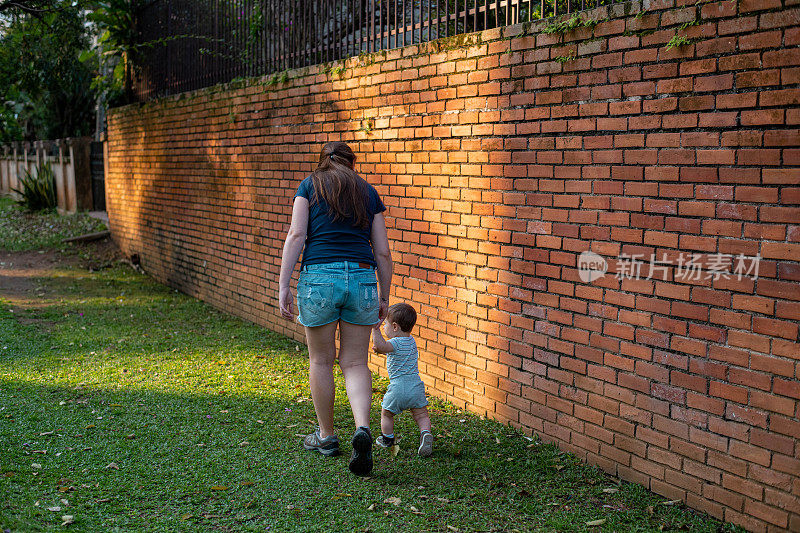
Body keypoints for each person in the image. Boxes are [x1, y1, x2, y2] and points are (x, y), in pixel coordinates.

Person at [278, 141, 392, 476]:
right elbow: (382, 252)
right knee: (356, 362)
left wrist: (284, 284)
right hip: (361, 278)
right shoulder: (367, 192)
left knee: (321, 360)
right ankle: (362, 429)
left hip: (319, 278)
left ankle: (327, 437)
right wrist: (384, 295)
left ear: (322, 161)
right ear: (351, 163)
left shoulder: (309, 185)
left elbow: (297, 234)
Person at [370, 302, 433, 457]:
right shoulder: (411, 342)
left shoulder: (394, 343)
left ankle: (387, 439)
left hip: (398, 387)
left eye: (385, 325)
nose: (383, 327)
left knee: (386, 414)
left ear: (395, 327)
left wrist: (374, 329)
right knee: (421, 415)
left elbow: (379, 346)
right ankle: (425, 433)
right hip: (416, 386)